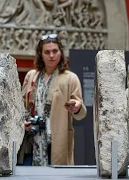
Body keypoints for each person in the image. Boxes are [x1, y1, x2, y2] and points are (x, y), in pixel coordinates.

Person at [17, 34, 87, 166]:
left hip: (55, 141)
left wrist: (77, 106)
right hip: (30, 142)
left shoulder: (70, 78)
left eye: (55, 51)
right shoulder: (31, 76)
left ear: (61, 52)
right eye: (47, 52)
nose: (51, 55)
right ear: (40, 54)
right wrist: (23, 122)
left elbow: (80, 113)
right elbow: (21, 107)